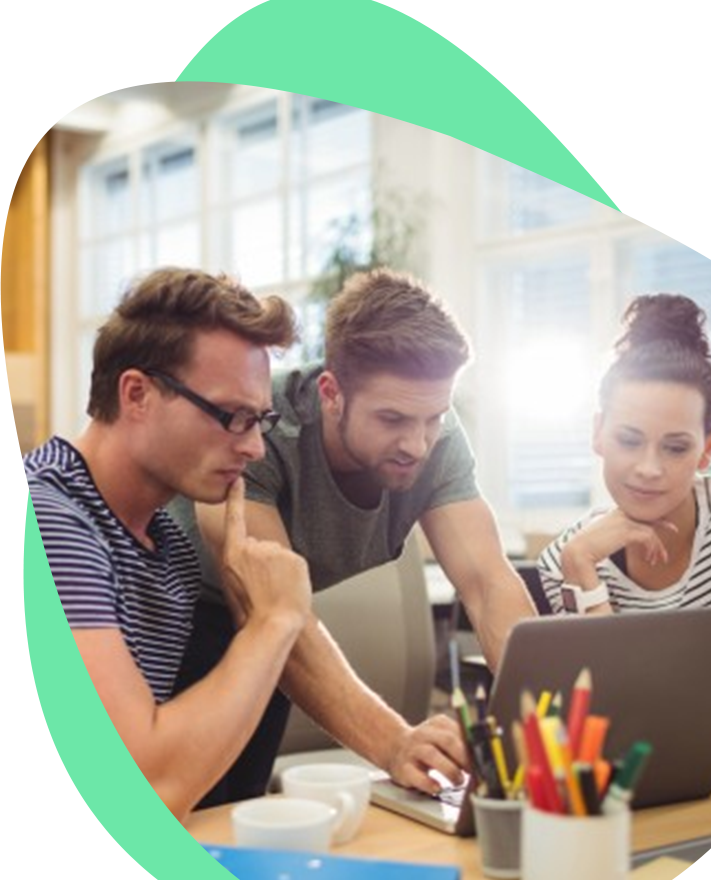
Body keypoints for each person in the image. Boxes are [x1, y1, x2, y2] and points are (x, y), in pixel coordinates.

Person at [170, 267, 536, 804]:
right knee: (177, 832)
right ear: (331, 393)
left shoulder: (434, 435)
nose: (417, 443)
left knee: (240, 831)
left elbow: (487, 583)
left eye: (433, 417)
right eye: (392, 418)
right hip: (181, 626)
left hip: (274, 636)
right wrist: (395, 743)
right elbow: (267, 609)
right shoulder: (257, 428)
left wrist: (550, 727)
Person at [3, 267, 313, 851]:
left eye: (260, 420)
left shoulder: (167, 552)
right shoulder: (36, 518)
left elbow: (174, 776)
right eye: (231, 416)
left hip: (105, 877)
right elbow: (139, 789)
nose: (251, 447)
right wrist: (274, 622)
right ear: (137, 394)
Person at [537, 293, 711, 715]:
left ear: (707, 448)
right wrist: (581, 567)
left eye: (676, 448)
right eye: (629, 440)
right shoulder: (567, 558)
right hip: (643, 775)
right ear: (598, 433)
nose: (649, 468)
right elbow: (606, 715)